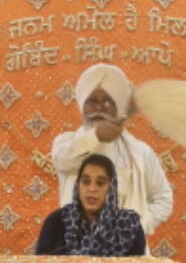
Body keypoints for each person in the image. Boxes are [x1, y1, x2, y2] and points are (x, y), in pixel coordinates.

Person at [50, 63, 174, 235]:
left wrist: (135, 229)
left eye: (108, 102)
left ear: (118, 108)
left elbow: (163, 198)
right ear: (83, 106)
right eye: (92, 101)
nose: (99, 108)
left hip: (127, 255)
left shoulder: (140, 152)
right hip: (77, 251)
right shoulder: (66, 143)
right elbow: (63, 161)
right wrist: (96, 137)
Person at [34, 152, 146, 257]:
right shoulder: (57, 222)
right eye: (86, 182)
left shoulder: (129, 225)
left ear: (111, 188)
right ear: (78, 185)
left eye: (100, 183)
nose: (92, 189)